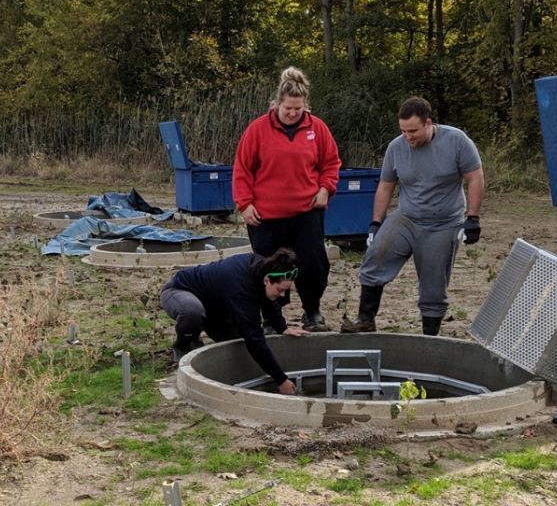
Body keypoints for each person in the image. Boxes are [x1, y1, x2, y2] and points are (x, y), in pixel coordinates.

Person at [340, 97, 484, 336]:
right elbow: (386, 186)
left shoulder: (457, 141)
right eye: (403, 131)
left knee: (433, 285)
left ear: (428, 123)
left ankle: (429, 336)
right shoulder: (396, 147)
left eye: (413, 131)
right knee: (375, 258)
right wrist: (376, 223)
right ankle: (365, 319)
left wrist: (473, 219)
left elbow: (475, 178)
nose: (408, 137)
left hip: (444, 223)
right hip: (407, 217)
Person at [232, 67, 341, 332]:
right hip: (266, 216)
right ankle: (271, 316)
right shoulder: (257, 130)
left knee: (313, 263)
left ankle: (312, 310)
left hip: (306, 212)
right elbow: (242, 169)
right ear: (277, 104)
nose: (292, 113)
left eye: (298, 109)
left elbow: (331, 163)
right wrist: (244, 204)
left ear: (305, 106)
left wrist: (326, 188)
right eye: (287, 108)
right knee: (269, 268)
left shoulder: (318, 128)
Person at [160, 248, 310, 395]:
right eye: (280, 290)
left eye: (286, 290)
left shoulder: (263, 268)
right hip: (179, 291)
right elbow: (255, 340)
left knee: (237, 343)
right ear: (267, 280)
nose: (283, 295)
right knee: (193, 312)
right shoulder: (241, 290)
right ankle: (183, 345)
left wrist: (282, 328)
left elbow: (269, 298)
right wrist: (281, 380)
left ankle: (198, 327)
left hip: (215, 308)